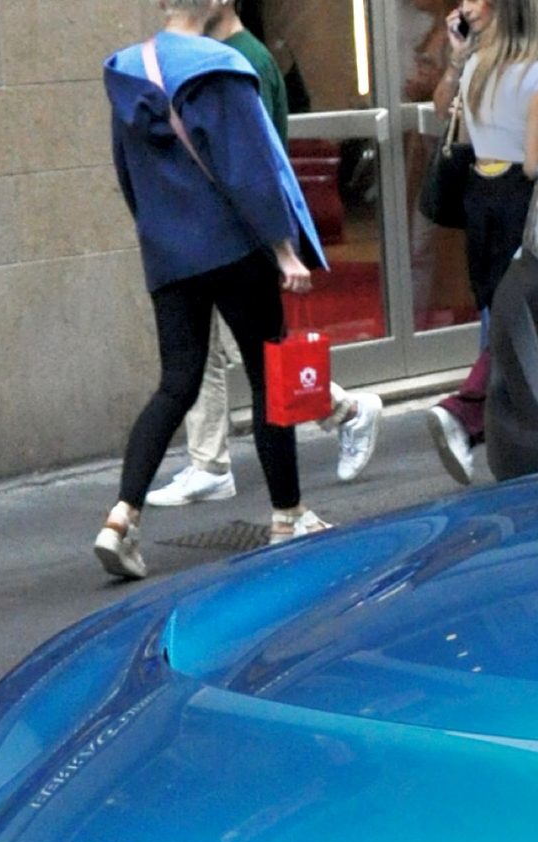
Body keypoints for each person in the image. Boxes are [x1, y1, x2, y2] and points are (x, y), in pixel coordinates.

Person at [99, 0, 331, 581]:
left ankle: (122, 516)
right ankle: (287, 514)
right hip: (232, 247)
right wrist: (283, 249)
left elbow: (127, 176)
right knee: (267, 374)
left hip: (168, 252)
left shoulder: (127, 72)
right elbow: (249, 166)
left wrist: (160, 234)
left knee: (176, 383)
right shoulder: (218, 67)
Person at [148, 0, 385, 506]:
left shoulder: (242, 59)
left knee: (256, 355)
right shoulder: (225, 56)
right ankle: (209, 462)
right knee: (218, 351)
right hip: (226, 230)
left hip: (240, 233)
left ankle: (344, 411)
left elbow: (255, 156)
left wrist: (274, 243)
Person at [423, 0, 538, 484]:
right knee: (519, 313)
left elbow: (458, 125)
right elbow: (534, 164)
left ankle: (479, 426)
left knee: (494, 308)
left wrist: (457, 57)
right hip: (517, 200)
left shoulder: (476, 72)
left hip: (479, 197)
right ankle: (464, 412)